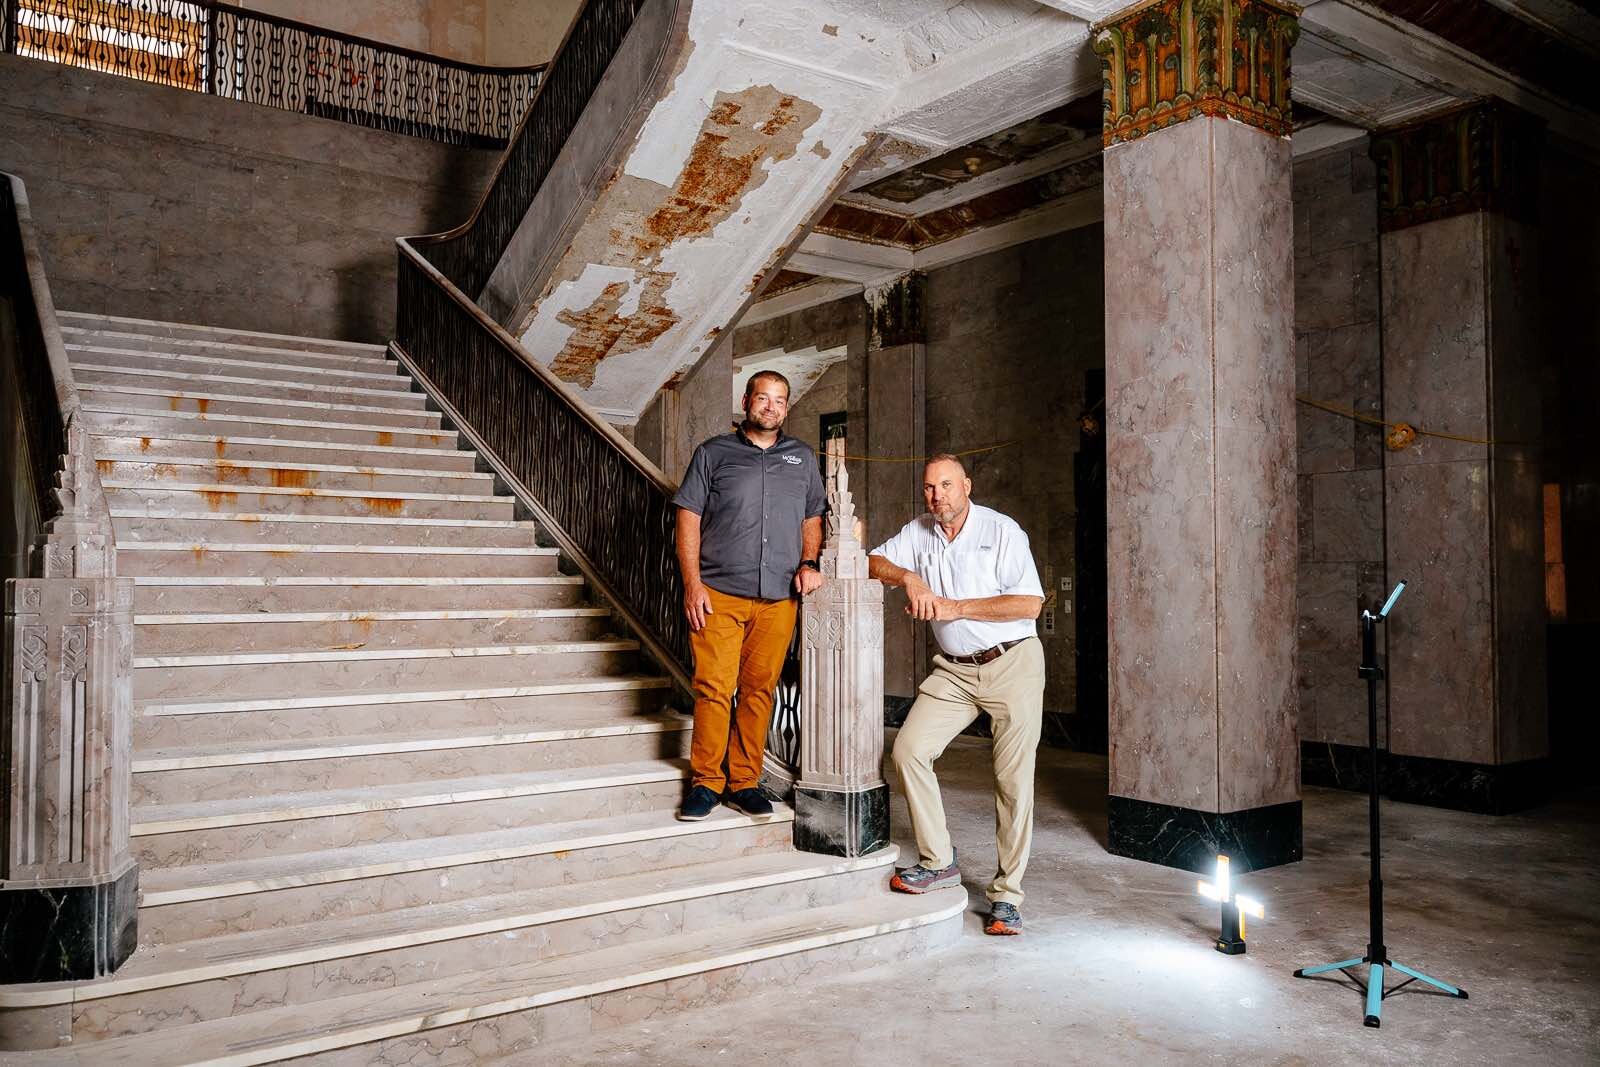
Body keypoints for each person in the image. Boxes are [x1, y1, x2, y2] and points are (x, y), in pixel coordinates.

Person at [867, 454, 1045, 936]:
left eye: (946, 485)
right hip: (954, 672)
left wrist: (953, 607)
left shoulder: (1002, 531)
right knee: (908, 751)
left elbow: (1029, 603)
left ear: (967, 486)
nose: (937, 495)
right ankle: (939, 861)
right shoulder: (919, 531)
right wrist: (909, 578)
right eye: (929, 487)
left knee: (1012, 781)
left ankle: (1007, 896)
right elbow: (871, 561)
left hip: (1012, 664)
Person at [672, 370, 826, 822]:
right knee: (714, 689)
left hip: (779, 597)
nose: (770, 407)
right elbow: (688, 518)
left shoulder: (802, 458)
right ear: (746, 401)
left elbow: (812, 517)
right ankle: (706, 782)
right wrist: (692, 584)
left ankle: (744, 781)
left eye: (779, 400)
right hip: (719, 592)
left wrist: (809, 562)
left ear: (786, 407)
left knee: (760, 691)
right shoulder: (713, 453)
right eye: (763, 398)